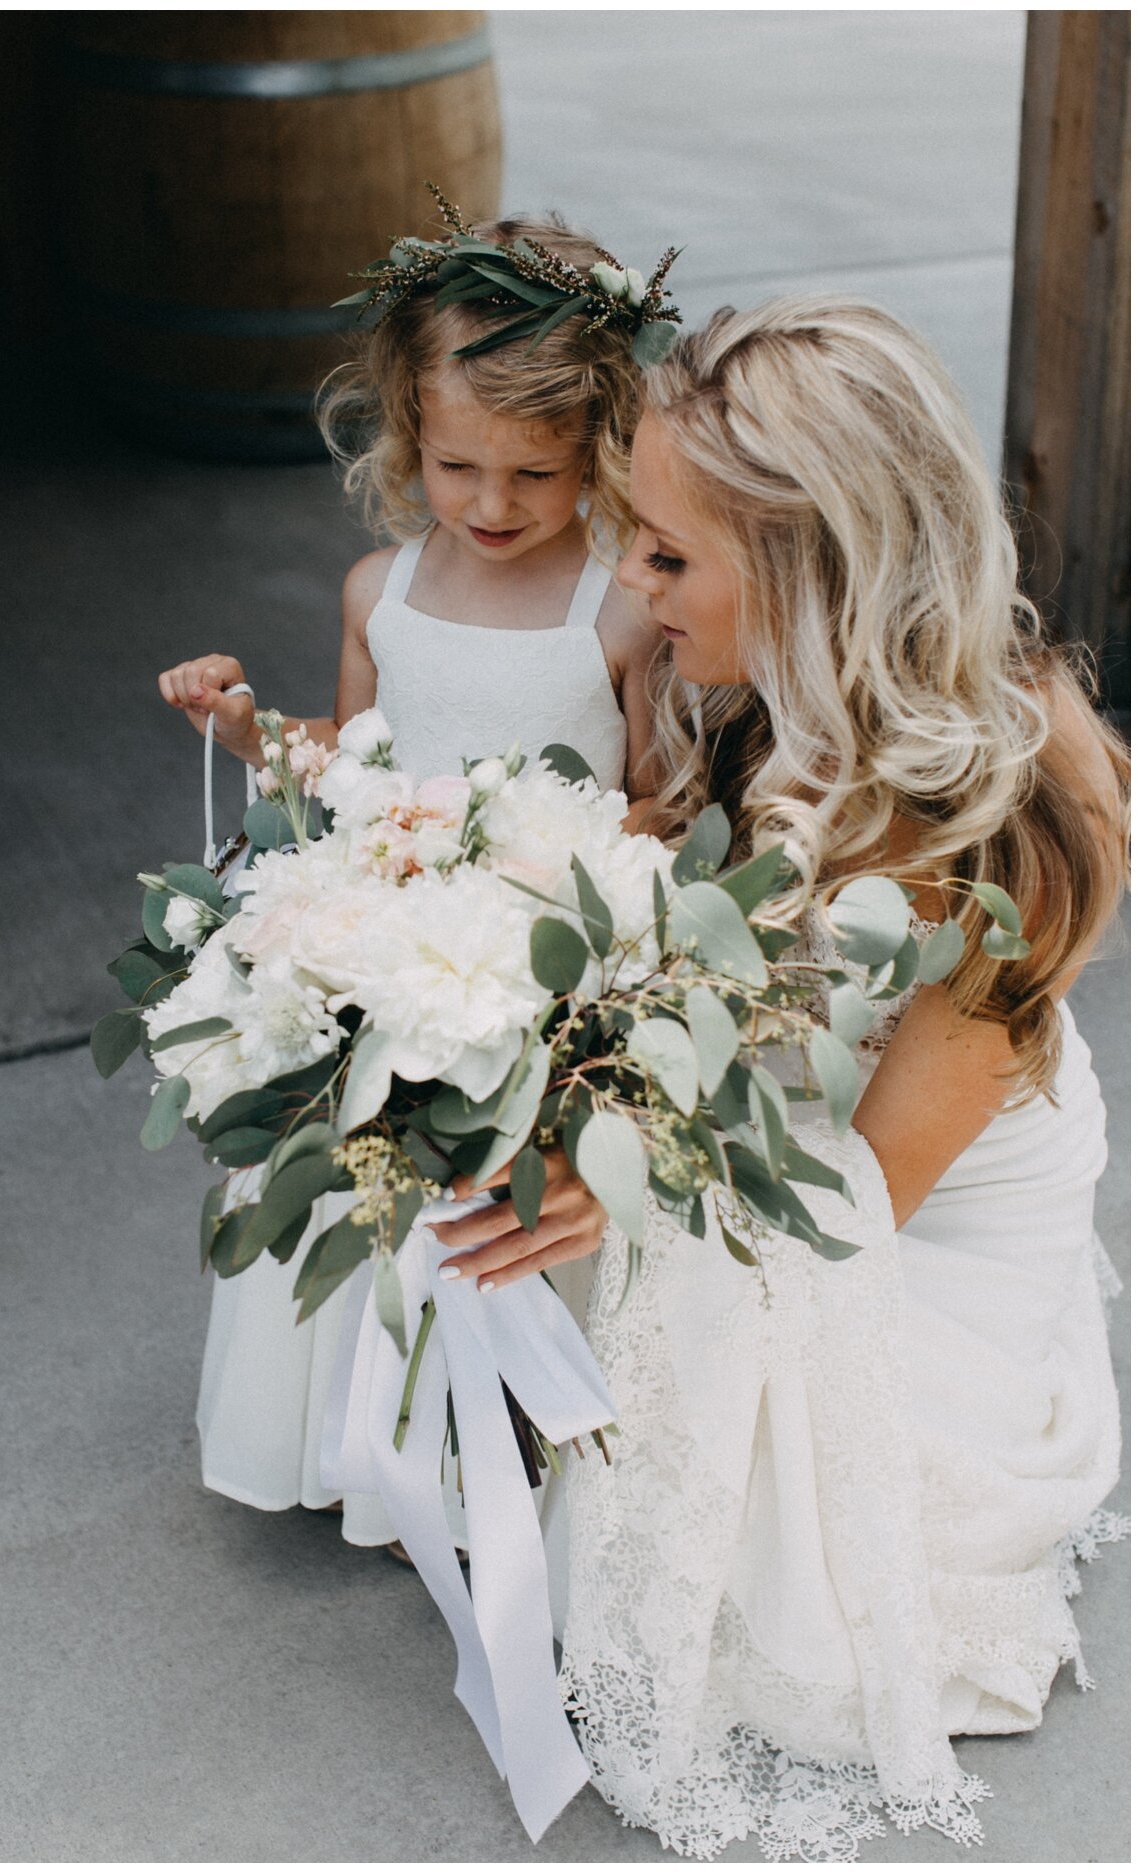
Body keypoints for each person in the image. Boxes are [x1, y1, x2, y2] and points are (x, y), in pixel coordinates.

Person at [443, 296, 1128, 1859]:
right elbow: (699, 970)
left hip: (913, 1215)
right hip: (787, 1116)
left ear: (821, 570)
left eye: (671, 557)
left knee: (755, 1570)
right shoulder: (739, 696)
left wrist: (616, 1179)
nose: (627, 584)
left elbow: (862, 1195)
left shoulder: (1020, 810)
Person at [153, 204, 670, 1549]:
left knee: (505, 1216)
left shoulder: (615, 610)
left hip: (543, 971)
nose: (493, 506)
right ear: (403, 430)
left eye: (538, 477)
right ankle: (364, 1440)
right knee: (376, 1190)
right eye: (458, 466)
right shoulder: (378, 590)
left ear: (602, 450)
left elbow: (659, 804)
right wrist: (250, 731)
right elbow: (355, 770)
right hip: (400, 960)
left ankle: (515, 1445)